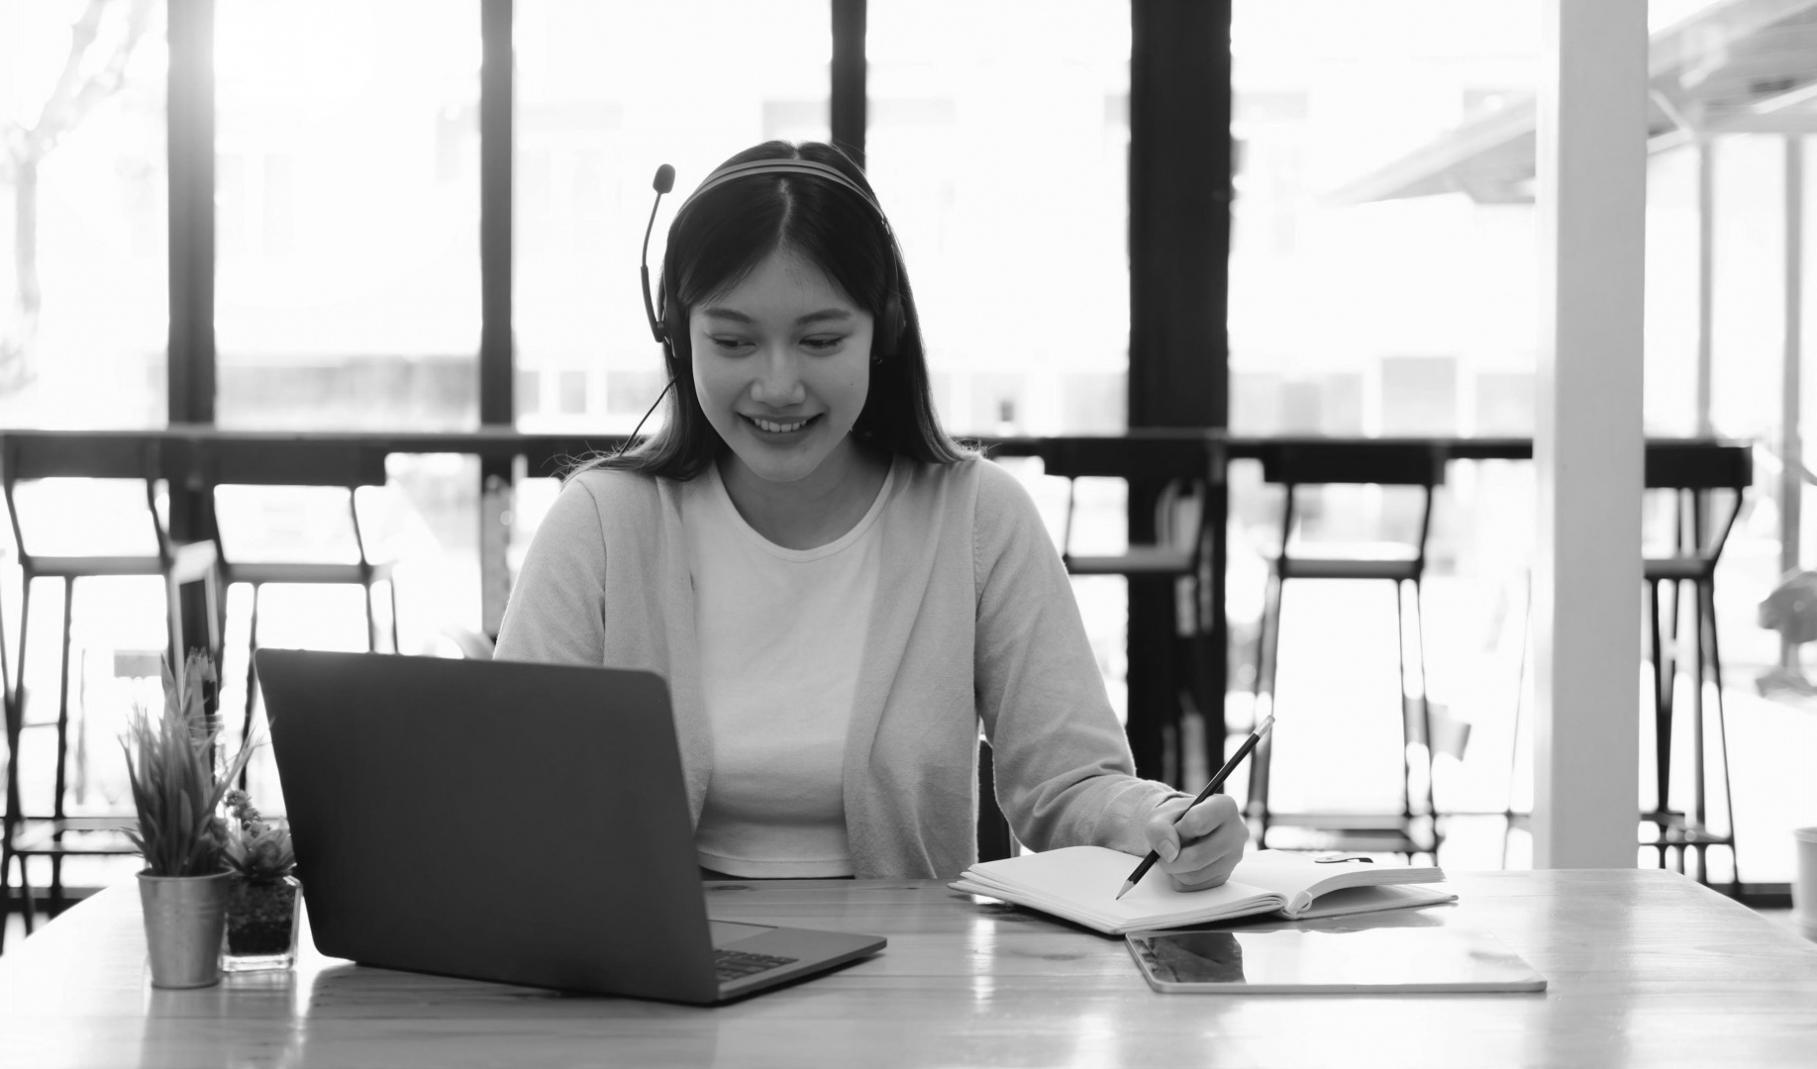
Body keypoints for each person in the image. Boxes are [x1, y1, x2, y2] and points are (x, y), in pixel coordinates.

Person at [494, 139, 1246, 885]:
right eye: (732, 340)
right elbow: (509, 787)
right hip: (652, 981)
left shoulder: (978, 518)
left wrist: (1161, 817)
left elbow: (1069, 783)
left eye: (820, 339)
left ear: (881, 330)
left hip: (905, 982)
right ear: (675, 333)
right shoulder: (600, 523)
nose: (777, 383)